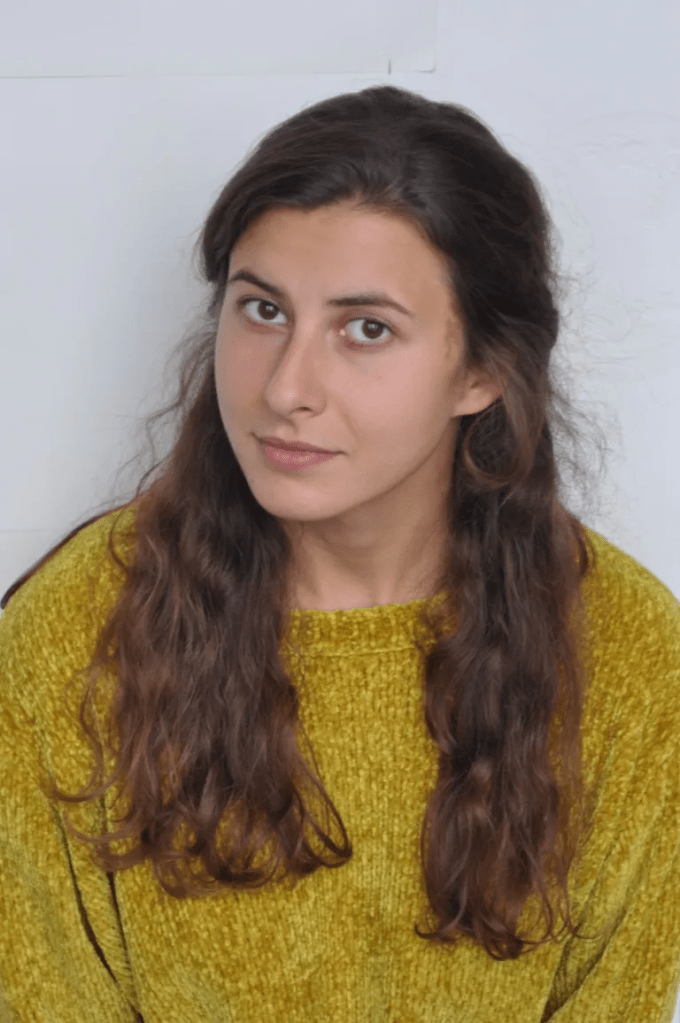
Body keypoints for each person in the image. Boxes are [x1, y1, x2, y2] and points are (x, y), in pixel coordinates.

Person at [1, 84, 678, 1023]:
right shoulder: (75, 632)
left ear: (482, 370)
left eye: (367, 329)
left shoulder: (633, 660)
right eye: (262, 309)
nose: (287, 387)